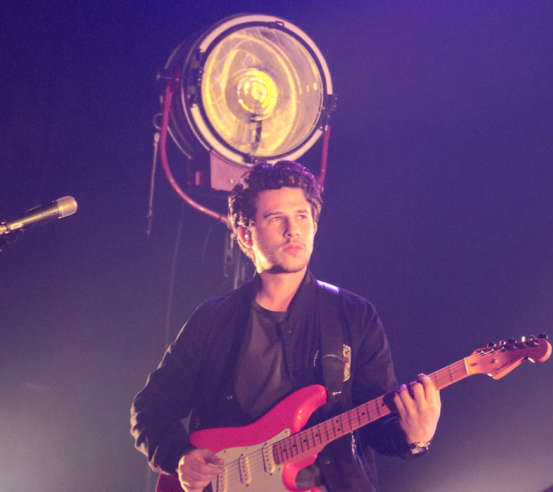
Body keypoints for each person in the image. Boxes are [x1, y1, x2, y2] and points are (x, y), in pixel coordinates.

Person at [131, 160, 441, 492]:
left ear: (315, 226)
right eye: (276, 218)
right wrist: (180, 455)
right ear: (245, 235)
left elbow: (377, 425)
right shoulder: (213, 319)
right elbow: (150, 408)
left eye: (302, 217)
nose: (292, 229)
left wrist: (416, 437)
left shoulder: (354, 315)